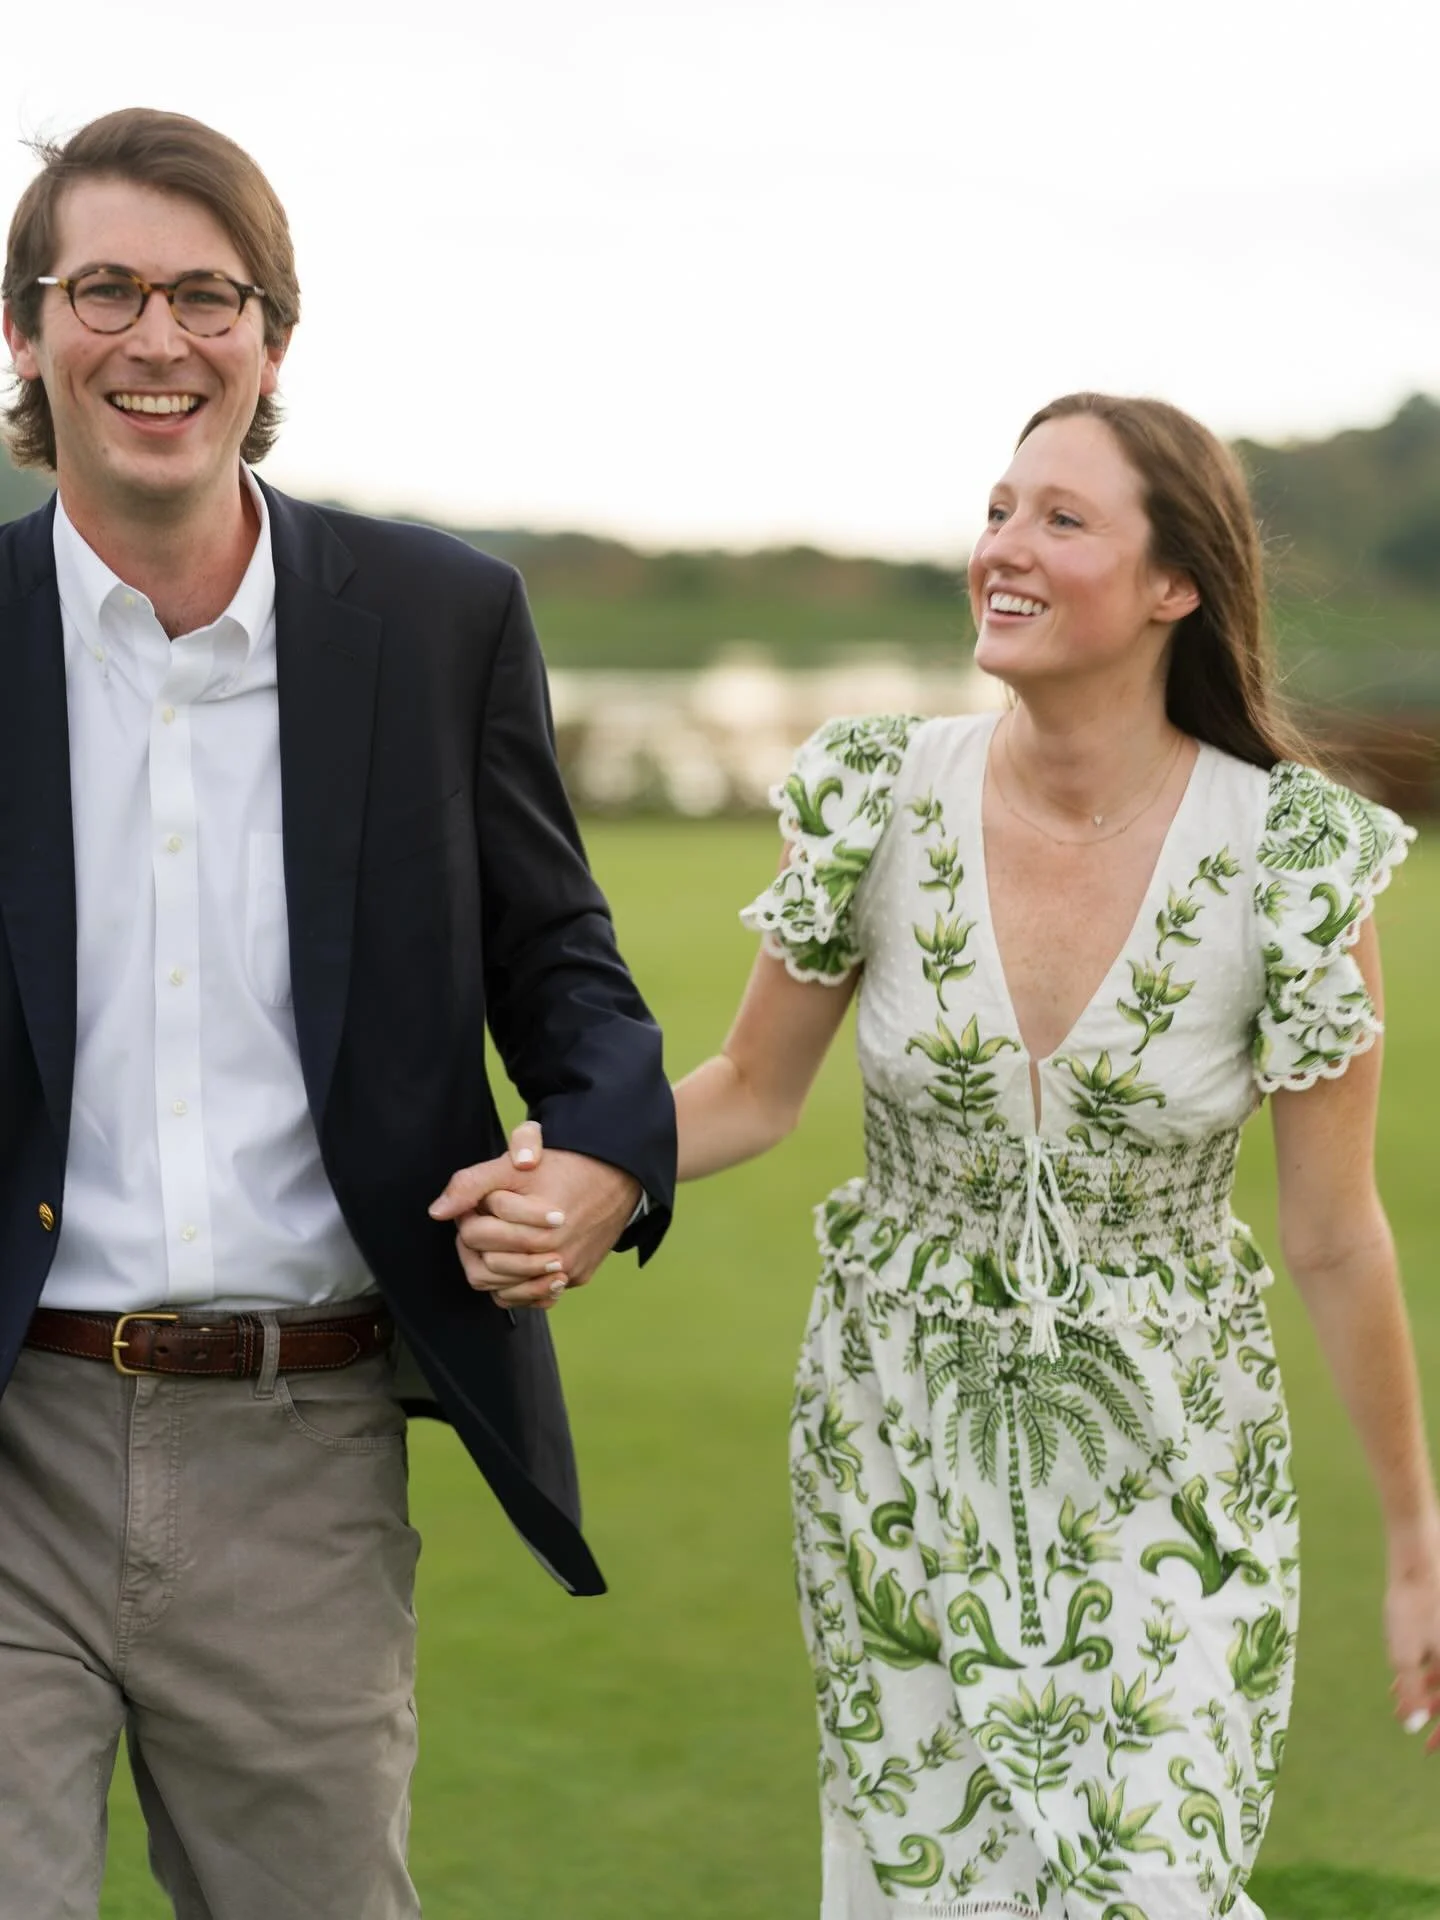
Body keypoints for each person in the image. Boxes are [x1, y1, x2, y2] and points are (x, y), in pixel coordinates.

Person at [478, 392, 1440, 1916]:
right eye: (999, 509)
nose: (1005, 545)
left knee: (1151, 1885)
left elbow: (1335, 1234)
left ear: (1174, 583)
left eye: (1062, 518)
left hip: (1174, 1465)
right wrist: (572, 1158)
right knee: (933, 1890)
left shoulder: (1299, 861)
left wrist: (1416, 1535)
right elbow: (748, 1087)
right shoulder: (872, 799)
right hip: (896, 1437)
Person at [0, 107, 674, 1920]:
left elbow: (566, 970)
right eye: (107, 290)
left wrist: (606, 1153)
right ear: (26, 333)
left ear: (273, 340)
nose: (158, 339)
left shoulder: (441, 619)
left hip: (303, 1445)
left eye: (208, 294)